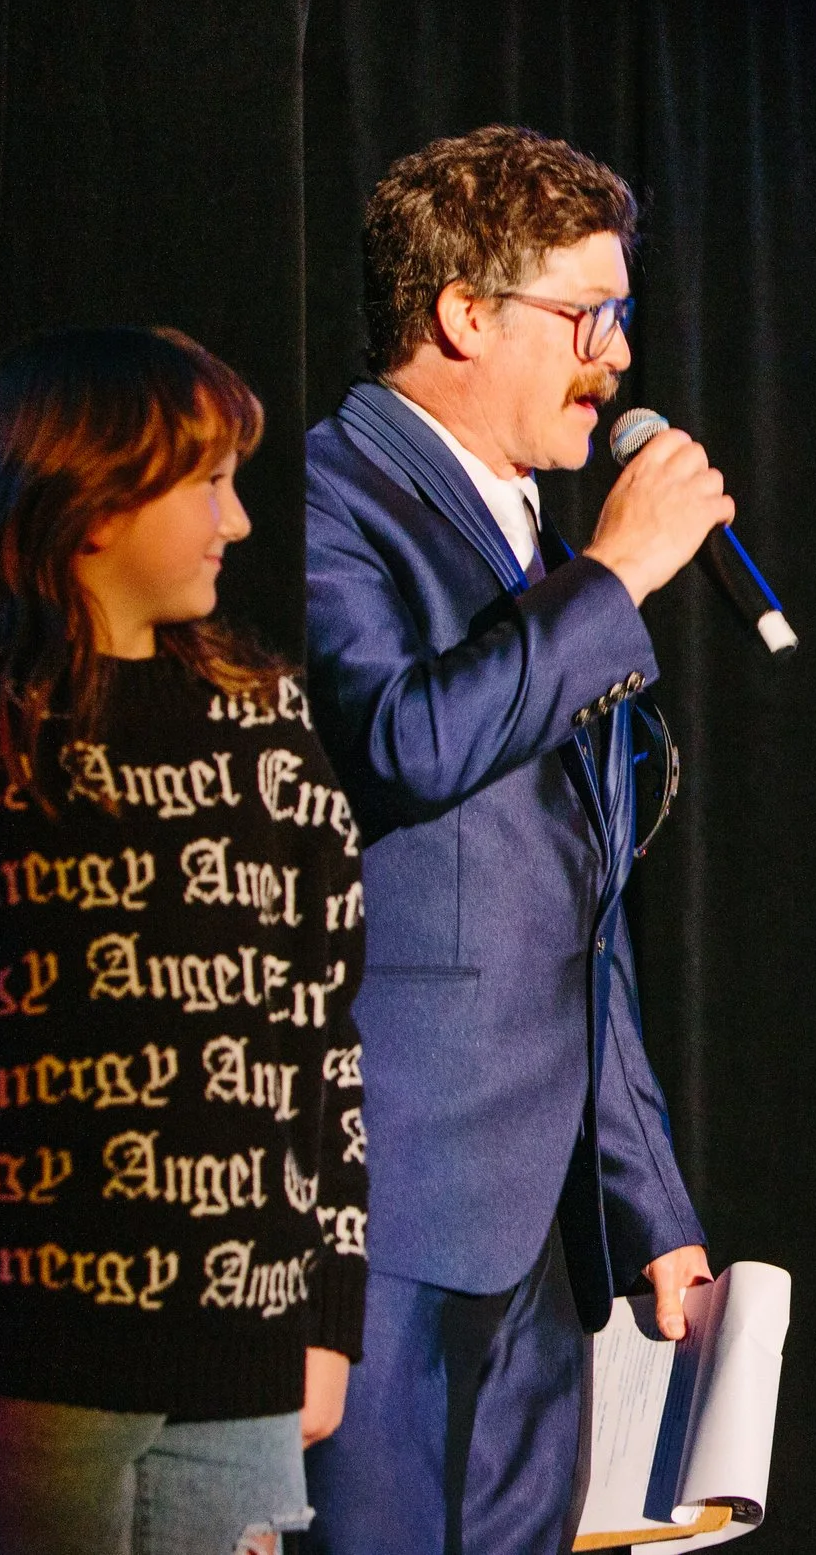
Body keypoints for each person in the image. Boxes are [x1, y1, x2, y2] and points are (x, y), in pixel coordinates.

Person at [0, 327, 368, 1554]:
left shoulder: (264, 728)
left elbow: (319, 1042)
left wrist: (326, 1310)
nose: (238, 520)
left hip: (237, 1360)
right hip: (24, 1363)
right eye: (208, 482)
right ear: (91, 501)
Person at [299, 124, 727, 1553]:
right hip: (389, 1202)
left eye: (621, 312)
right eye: (581, 314)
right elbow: (404, 737)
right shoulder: (330, 494)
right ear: (462, 314)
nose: (613, 355)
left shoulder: (535, 549)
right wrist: (614, 576)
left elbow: (579, 916)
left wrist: (648, 1195)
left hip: (538, 1227)